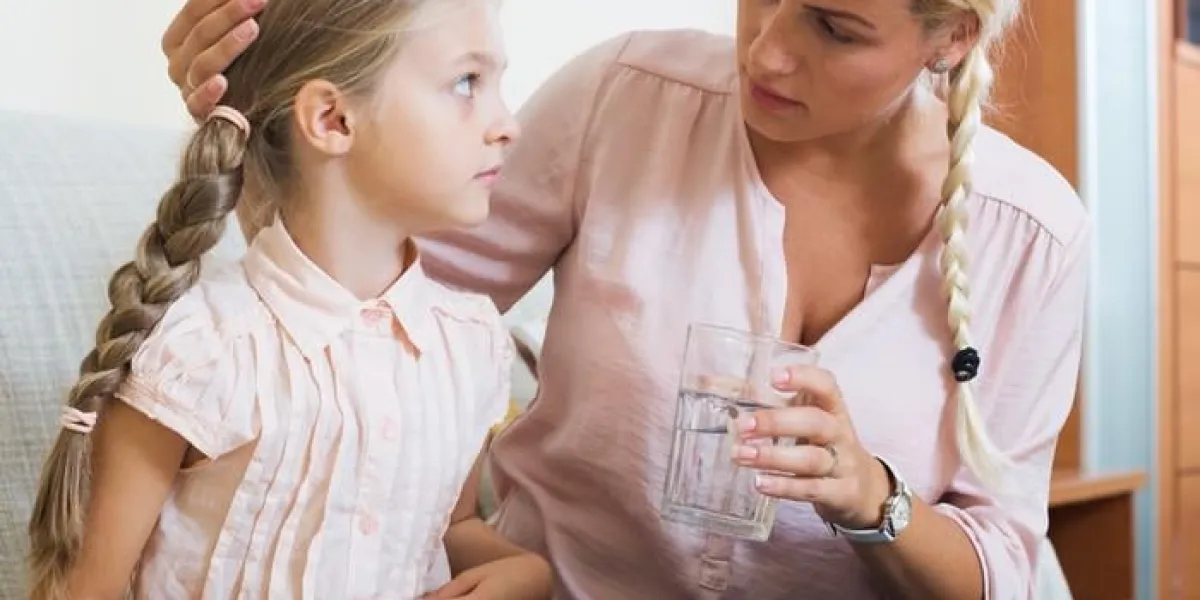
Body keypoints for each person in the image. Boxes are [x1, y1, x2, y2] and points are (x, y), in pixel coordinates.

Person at [163, 0, 1088, 598]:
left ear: (951, 35)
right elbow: (366, 298)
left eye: (833, 28)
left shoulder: (1032, 237)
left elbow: (1003, 561)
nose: (766, 51)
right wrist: (256, 100)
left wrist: (869, 496)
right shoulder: (626, 97)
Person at [26, 1, 553, 599]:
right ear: (332, 119)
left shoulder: (472, 346)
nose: (508, 124)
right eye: (467, 82)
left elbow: (449, 523)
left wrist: (525, 571)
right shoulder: (200, 349)